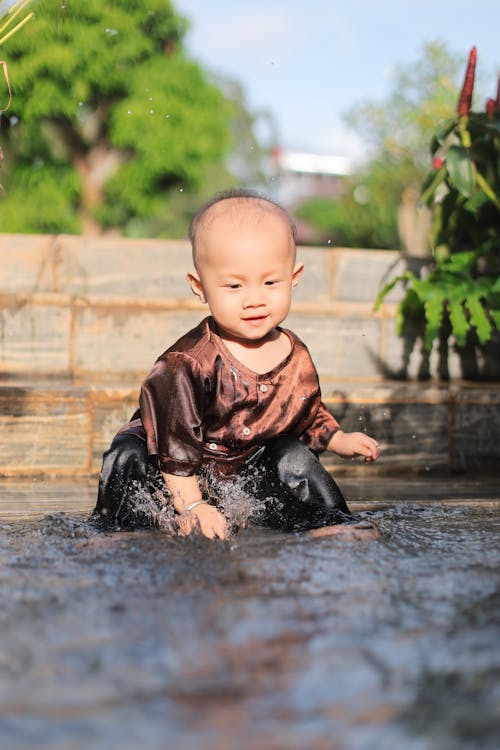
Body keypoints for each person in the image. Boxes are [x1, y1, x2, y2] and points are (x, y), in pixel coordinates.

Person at [94, 189, 380, 540]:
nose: (255, 299)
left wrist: (338, 439)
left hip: (241, 472)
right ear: (200, 288)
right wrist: (193, 505)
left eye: (270, 282)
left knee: (290, 454)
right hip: (170, 471)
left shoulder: (295, 354)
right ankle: (121, 530)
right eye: (234, 285)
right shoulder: (186, 364)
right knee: (127, 455)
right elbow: (174, 444)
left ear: (294, 276)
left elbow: (305, 414)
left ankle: (329, 523)